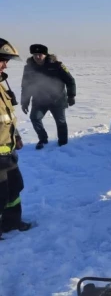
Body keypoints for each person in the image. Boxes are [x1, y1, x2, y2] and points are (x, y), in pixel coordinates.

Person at [0, 38, 32, 239]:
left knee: (14, 189)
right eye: (2, 59)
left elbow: (7, 118)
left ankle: (11, 223)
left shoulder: (1, 85)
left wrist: (17, 136)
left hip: (7, 153)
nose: (5, 64)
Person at [21, 44, 76, 149]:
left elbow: (70, 80)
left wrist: (71, 95)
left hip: (57, 99)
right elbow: (25, 86)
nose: (37, 57)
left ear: (45, 55)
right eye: (35, 54)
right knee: (34, 118)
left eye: (40, 54)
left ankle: (63, 142)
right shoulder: (29, 68)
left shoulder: (57, 65)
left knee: (60, 121)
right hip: (39, 100)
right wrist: (25, 101)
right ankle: (43, 139)